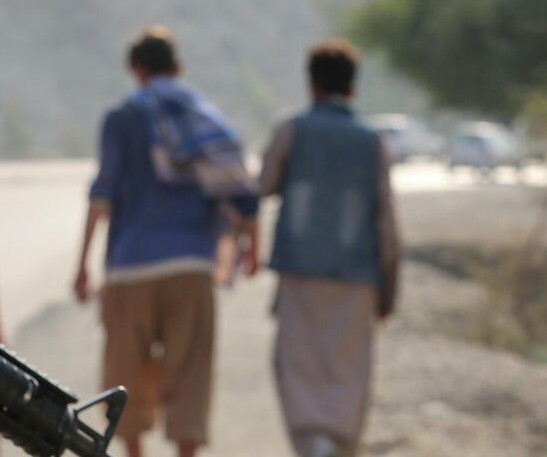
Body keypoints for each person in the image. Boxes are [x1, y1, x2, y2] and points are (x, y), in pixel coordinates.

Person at [72, 27, 258, 457]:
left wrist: (81, 266)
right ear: (178, 67)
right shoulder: (203, 119)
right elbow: (241, 193)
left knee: (126, 374)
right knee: (190, 373)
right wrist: (252, 248)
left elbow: (101, 196)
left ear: (134, 68)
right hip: (192, 265)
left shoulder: (122, 117)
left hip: (130, 267)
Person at [256, 40, 401, 457]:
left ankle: (312, 442)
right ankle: (338, 440)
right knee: (348, 368)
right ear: (352, 87)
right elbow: (386, 224)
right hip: (357, 276)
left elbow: (262, 186)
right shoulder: (372, 141)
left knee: (299, 365)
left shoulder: (292, 130)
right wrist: (388, 289)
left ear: (312, 84)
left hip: (300, 272)